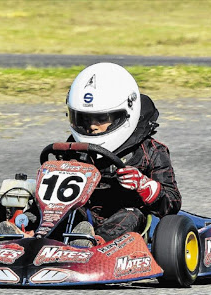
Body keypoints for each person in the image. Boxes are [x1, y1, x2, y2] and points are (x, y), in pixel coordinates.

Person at [66, 62, 182, 245]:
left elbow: (173, 202)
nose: (92, 126)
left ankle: (92, 245)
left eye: (101, 118)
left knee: (131, 214)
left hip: (129, 221)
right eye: (84, 118)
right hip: (85, 218)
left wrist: (144, 185)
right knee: (66, 211)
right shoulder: (74, 148)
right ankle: (26, 236)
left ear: (125, 115)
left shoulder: (150, 151)